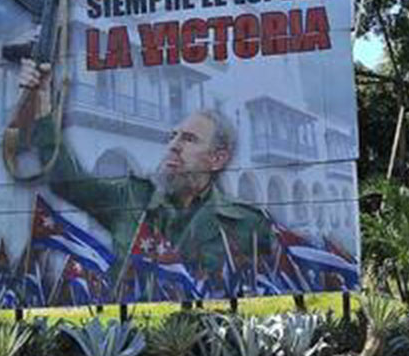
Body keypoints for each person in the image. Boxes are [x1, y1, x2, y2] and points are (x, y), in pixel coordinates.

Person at [16, 59, 277, 297]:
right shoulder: (131, 196)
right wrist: (43, 103)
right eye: (173, 136)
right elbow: (68, 182)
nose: (173, 145)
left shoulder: (248, 226)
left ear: (217, 159)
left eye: (188, 139)